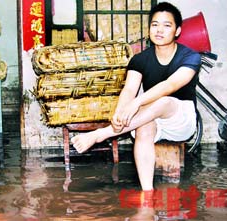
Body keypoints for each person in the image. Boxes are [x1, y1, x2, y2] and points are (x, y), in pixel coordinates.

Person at [71, 2, 201, 191]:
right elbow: (129, 91)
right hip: (149, 116)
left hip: (181, 119)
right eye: (155, 24)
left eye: (167, 25)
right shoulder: (139, 59)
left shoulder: (190, 57)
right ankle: (147, 194)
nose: (159, 30)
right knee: (144, 127)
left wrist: (136, 104)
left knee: (163, 100)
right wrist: (119, 112)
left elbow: (170, 85)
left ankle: (102, 134)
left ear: (177, 30)